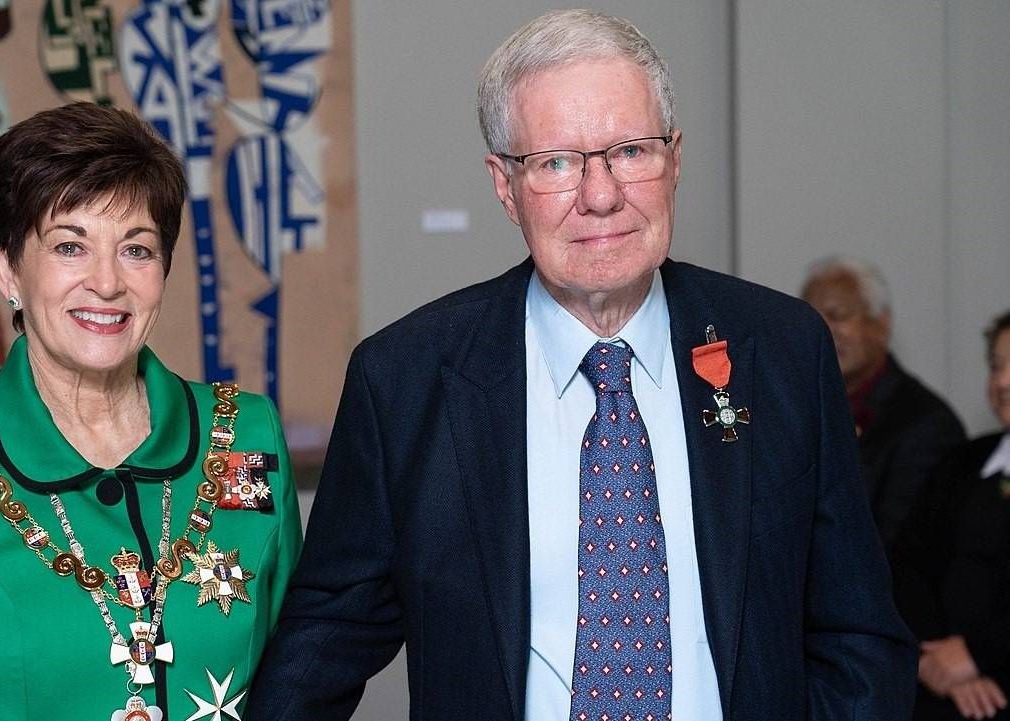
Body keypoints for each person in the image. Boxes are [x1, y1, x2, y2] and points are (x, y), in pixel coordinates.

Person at [249, 9, 915, 721]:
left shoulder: (782, 350)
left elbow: (858, 635)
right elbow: (325, 641)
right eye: (557, 163)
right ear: (505, 186)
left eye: (630, 151)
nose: (601, 196)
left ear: (674, 160)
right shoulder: (406, 381)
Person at [0, 103, 301, 721]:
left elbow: (304, 668)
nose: (107, 283)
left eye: (137, 249)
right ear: (9, 270)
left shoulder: (245, 434)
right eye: (70, 246)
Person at [801, 256, 966, 555]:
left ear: (881, 325)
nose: (824, 331)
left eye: (838, 315)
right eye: (813, 319)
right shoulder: (795, 407)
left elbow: (897, 550)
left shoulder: (925, 424)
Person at [894, 311, 1010, 721]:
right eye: (996, 366)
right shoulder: (962, 463)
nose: (1002, 382)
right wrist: (931, 658)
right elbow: (907, 566)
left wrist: (977, 655)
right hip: (936, 684)